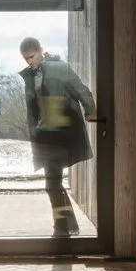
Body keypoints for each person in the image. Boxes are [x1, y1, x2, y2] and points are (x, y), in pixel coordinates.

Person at [18, 36, 96, 238]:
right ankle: (68, 227)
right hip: (44, 137)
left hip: (60, 135)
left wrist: (92, 114)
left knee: (52, 184)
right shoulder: (31, 76)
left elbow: (82, 91)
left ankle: (61, 229)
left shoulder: (60, 68)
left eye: (32, 57)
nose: (29, 61)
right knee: (54, 183)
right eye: (26, 58)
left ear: (41, 50)